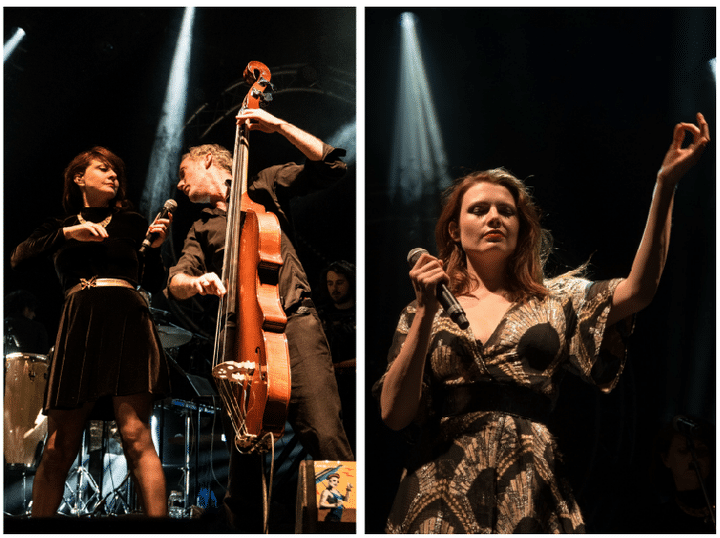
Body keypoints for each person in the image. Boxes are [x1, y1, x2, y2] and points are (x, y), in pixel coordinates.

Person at [373, 113, 710, 533]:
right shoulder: (424, 309)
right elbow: (394, 414)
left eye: (506, 211)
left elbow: (638, 290)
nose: (494, 217)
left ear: (522, 229)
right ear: (455, 231)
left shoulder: (555, 300)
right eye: (478, 210)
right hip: (440, 485)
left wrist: (665, 184)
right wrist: (425, 310)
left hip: (529, 480)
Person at [166, 107, 354, 530]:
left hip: (294, 323)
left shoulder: (264, 187)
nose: (179, 182)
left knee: (324, 434)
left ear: (211, 161)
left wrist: (278, 125)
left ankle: (343, 527)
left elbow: (331, 164)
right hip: (240, 340)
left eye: (184, 170)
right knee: (245, 450)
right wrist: (195, 284)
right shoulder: (201, 227)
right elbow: (175, 279)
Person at [10, 146, 172, 517]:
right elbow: (19, 256)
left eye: (117, 170)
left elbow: (155, 281)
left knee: (135, 436)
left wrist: (157, 251)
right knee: (59, 443)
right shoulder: (59, 226)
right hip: (79, 324)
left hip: (127, 321)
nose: (114, 174)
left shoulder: (132, 221)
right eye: (103, 168)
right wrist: (70, 233)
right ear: (79, 178)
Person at [317, 260, 357, 452]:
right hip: (328, 389)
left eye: (339, 282)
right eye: (330, 283)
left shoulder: (360, 314)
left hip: (354, 388)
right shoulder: (321, 314)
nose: (334, 288)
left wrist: (336, 367)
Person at [4, 289, 49, 355]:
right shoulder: (38, 328)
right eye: (32, 310)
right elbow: (43, 355)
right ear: (26, 308)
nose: (34, 315)